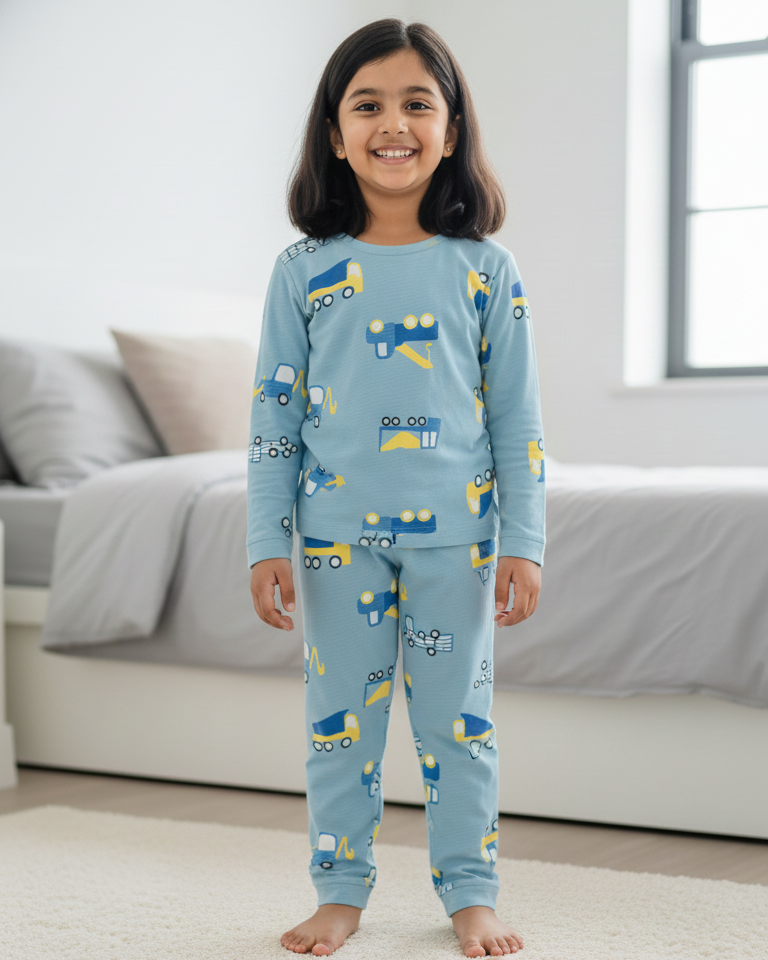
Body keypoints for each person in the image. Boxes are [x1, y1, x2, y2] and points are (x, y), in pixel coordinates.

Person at [247, 17, 545, 958]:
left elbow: (517, 423)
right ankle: (341, 891)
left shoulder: (486, 271)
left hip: (457, 543)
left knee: (461, 733)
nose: (394, 123)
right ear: (334, 134)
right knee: (342, 735)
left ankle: (470, 893)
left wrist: (525, 540)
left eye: (419, 103)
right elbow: (273, 422)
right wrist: (267, 538)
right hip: (335, 541)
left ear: (451, 130)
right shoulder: (302, 273)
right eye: (366, 104)